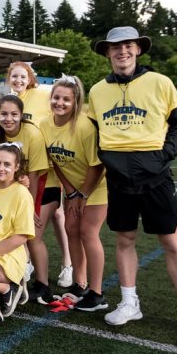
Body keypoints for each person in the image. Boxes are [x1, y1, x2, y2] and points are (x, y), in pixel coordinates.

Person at [87, 26, 177, 340]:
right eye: (115, 47)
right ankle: (130, 302)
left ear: (138, 49)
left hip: (156, 177)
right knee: (124, 240)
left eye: (128, 46)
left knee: (172, 242)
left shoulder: (160, 82)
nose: (122, 52)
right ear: (107, 52)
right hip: (118, 179)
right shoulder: (96, 91)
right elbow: (95, 133)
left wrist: (164, 156)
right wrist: (106, 160)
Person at [40, 75, 108, 310]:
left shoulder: (84, 127)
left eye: (66, 99)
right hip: (72, 187)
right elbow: (55, 161)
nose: (59, 103)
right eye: (56, 97)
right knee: (71, 230)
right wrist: (71, 193)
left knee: (88, 232)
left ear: (76, 102)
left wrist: (83, 195)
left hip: (96, 186)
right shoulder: (45, 124)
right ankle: (80, 284)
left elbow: (96, 165)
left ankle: (97, 293)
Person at [8, 61, 72, 289]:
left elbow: (61, 110)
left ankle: (67, 263)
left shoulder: (43, 93)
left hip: (48, 168)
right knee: (27, 224)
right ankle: (28, 264)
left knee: (55, 216)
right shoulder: (11, 102)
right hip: (26, 172)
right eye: (14, 76)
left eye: (22, 76)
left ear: (30, 77)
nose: (18, 80)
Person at [0, 94, 53, 304]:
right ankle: (17, 276)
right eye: (4, 114)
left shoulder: (32, 134)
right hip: (17, 187)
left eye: (14, 114)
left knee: (33, 235)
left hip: (42, 187)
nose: (8, 118)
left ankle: (43, 284)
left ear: (21, 115)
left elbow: (36, 174)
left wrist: (32, 208)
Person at [0, 143, 35, 318]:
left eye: (7, 164)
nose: (1, 168)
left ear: (17, 166)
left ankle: (9, 288)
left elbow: (21, 237)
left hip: (9, 256)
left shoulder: (22, 194)